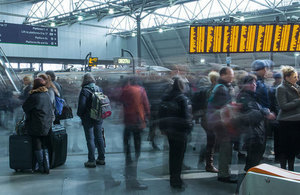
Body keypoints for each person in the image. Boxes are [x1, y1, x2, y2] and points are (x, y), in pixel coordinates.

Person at [236, 74, 275, 171]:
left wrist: (264, 110)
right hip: (252, 134)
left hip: (256, 133)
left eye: (254, 83)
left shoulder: (252, 97)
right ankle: (249, 182)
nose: (254, 85)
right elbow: (249, 116)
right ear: (244, 85)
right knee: (252, 162)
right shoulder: (244, 98)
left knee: (254, 160)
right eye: (251, 83)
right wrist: (264, 112)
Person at [161, 76, 193, 190]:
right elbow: (186, 117)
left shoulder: (166, 97)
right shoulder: (182, 98)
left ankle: (172, 179)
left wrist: (162, 127)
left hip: (170, 130)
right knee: (179, 157)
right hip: (180, 131)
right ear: (182, 86)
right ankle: (177, 181)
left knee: (172, 155)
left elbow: (161, 113)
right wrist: (189, 128)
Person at [206, 66, 237, 183]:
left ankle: (224, 172)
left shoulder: (221, 87)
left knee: (225, 147)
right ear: (223, 75)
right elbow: (224, 108)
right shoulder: (221, 88)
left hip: (220, 122)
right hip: (222, 124)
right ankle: (223, 174)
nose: (232, 76)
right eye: (230, 74)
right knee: (225, 148)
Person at [120, 77, 150, 190]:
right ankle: (133, 181)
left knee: (128, 153)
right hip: (137, 123)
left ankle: (128, 176)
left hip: (127, 123)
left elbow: (121, 101)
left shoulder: (125, 90)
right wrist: (147, 118)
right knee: (136, 153)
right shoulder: (141, 90)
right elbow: (146, 107)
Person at [22, 77, 53, 174]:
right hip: (47, 123)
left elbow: (25, 107)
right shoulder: (46, 95)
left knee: (37, 144)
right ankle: (46, 166)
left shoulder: (34, 96)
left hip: (36, 124)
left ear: (34, 85)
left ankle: (41, 166)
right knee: (44, 144)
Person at [77, 73, 106, 168]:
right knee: (99, 137)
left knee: (90, 139)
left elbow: (82, 105)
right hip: (98, 116)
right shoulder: (99, 88)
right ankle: (101, 159)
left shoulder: (84, 90)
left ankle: (91, 160)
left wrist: (80, 115)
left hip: (88, 117)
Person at [276, 66, 300, 171]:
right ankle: (283, 169)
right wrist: (298, 100)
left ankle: (291, 169)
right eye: (294, 77)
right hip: (286, 122)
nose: (297, 79)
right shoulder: (281, 88)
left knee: (293, 148)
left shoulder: (297, 87)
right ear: (287, 77)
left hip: (295, 122)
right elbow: (283, 106)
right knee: (284, 148)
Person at [198, 71, 219, 173]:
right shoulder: (213, 90)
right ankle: (209, 164)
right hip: (210, 119)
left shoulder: (208, 89)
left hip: (206, 118)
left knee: (210, 141)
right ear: (214, 80)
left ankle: (204, 161)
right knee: (211, 142)